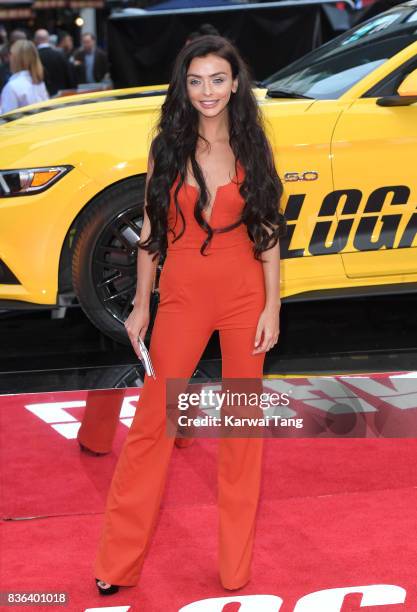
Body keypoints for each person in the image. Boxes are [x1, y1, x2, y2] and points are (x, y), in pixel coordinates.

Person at [93, 34, 286, 596]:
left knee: (240, 430)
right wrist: (138, 307)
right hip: (181, 294)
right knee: (153, 424)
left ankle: (234, 570)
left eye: (218, 80)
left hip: (245, 293)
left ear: (235, 84)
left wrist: (272, 306)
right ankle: (117, 565)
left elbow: (267, 231)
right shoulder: (168, 147)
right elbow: (152, 232)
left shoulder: (253, 146)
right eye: (196, 80)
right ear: (184, 86)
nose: (207, 91)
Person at [0, 39, 49, 114]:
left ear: (15, 58)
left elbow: (7, 119)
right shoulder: (39, 83)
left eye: (11, 55)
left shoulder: (12, 87)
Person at [34, 28, 75, 96]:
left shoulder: (34, 57)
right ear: (48, 39)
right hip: (61, 94)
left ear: (36, 40)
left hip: (42, 96)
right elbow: (69, 76)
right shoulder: (60, 55)